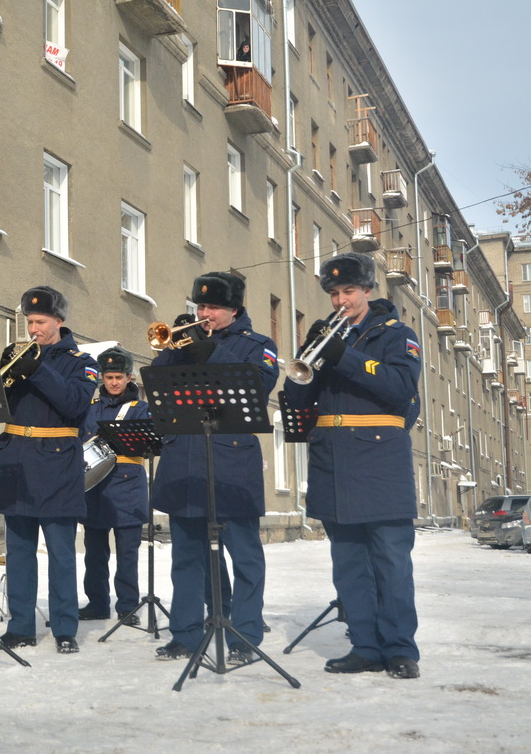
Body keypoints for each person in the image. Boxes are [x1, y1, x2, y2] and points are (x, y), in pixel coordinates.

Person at [284, 252, 422, 679]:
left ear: (367, 291)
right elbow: (298, 401)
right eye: (334, 293)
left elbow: (400, 388)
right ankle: (364, 645)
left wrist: (343, 355)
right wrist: (302, 369)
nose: (341, 300)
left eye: (349, 291)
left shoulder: (397, 335)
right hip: (333, 460)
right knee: (348, 563)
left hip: (380, 460)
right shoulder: (325, 334)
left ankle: (400, 649)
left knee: (390, 562)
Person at [151, 271, 279, 665]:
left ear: (234, 309)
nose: (204, 313)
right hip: (184, 461)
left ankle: (245, 634)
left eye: (213, 308)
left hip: (231, 463)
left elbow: (259, 386)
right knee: (186, 556)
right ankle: (185, 635)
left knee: (244, 554)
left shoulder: (258, 345)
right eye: (200, 307)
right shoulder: (183, 343)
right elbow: (156, 387)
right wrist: (174, 349)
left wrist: (211, 352)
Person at [0, 286, 98, 654]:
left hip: (58, 461)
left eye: (41, 322)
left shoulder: (82, 362)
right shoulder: (16, 354)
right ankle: (20, 627)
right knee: (18, 551)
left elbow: (75, 404)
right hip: (15, 458)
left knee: (61, 552)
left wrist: (39, 369)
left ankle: (65, 628)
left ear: (59, 322)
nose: (33, 329)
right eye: (30, 322)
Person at [78, 346, 150, 625]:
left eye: (119, 376)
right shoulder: (90, 409)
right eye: (109, 377)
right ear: (102, 378)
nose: (114, 382)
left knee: (127, 554)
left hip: (128, 487)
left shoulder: (141, 409)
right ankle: (97, 603)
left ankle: (128, 606)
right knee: (94, 554)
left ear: (130, 377)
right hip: (95, 488)